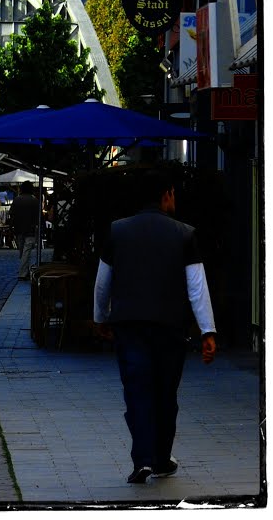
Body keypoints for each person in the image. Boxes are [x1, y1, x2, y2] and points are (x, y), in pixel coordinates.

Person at [93, 170, 217, 485]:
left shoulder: (117, 231)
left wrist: (100, 317)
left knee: (137, 391)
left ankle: (143, 459)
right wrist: (208, 331)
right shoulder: (185, 234)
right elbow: (197, 287)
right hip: (170, 326)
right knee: (165, 392)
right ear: (166, 195)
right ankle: (161, 458)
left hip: (129, 324)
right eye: (173, 194)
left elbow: (102, 283)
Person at [8, 181, 40, 279]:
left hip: (19, 229)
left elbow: (11, 214)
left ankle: (24, 271)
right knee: (26, 251)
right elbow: (38, 216)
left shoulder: (16, 200)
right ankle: (23, 273)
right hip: (30, 229)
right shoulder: (34, 200)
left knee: (22, 251)